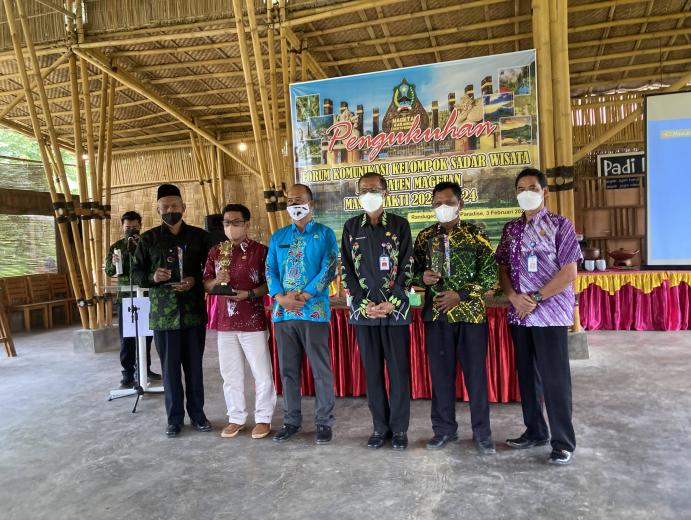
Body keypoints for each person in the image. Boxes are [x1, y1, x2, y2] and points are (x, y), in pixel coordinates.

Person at [495, 168, 581, 465]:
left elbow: (569, 272)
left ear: (545, 192)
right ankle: (535, 431)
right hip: (520, 315)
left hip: (550, 315)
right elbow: (502, 268)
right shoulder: (511, 229)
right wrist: (512, 296)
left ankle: (563, 442)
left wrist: (537, 298)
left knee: (555, 380)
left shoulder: (560, 225)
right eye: (521, 188)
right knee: (528, 378)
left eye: (532, 187)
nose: (526, 193)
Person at [413, 182, 497, 454]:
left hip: (470, 316)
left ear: (461, 204)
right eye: (438, 203)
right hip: (437, 316)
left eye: (449, 202)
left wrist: (460, 295)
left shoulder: (476, 235)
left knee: (476, 378)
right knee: (440, 378)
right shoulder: (425, 237)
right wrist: (422, 278)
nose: (443, 207)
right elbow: (412, 272)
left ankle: (482, 434)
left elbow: (489, 276)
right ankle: (444, 430)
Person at [131, 184, 215, 437]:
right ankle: (174, 419)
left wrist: (195, 280)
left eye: (175, 206)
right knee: (169, 372)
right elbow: (136, 274)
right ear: (158, 210)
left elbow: (211, 270)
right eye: (165, 207)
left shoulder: (199, 237)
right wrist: (153, 277)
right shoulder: (148, 239)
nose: (170, 210)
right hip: (164, 317)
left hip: (193, 313)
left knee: (194, 369)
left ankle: (198, 416)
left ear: (183, 207)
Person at [341, 172, 413, 450]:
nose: (369, 194)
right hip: (365, 314)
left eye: (374, 189)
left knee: (398, 374)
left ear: (385, 192)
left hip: (395, 313)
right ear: (358, 194)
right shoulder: (351, 227)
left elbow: (408, 266)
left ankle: (400, 430)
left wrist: (392, 302)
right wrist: (364, 304)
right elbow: (346, 270)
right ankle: (379, 427)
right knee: (372, 374)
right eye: (364, 190)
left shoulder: (399, 225)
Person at [266, 184, 338, 444]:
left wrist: (305, 296)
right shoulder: (278, 236)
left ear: (311, 204)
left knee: (320, 370)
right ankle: (291, 421)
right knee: (288, 371)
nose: (294, 205)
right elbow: (270, 269)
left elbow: (329, 268)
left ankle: (324, 422)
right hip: (283, 314)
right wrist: (280, 297)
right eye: (290, 201)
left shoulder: (325, 234)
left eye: (299, 200)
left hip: (314, 313)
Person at [203, 204, 276, 440]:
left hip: (252, 319)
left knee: (261, 372)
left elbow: (270, 283)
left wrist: (250, 294)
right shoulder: (216, 251)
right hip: (224, 322)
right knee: (230, 373)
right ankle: (236, 417)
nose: (231, 227)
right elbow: (206, 284)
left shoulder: (261, 251)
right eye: (226, 223)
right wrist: (217, 281)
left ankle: (263, 418)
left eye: (236, 222)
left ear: (246, 224)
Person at [105, 211, 159, 387]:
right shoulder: (116, 247)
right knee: (127, 338)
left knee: (146, 336)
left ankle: (144, 369)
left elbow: (154, 267)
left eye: (135, 227)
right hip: (125, 298)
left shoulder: (147, 244)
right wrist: (114, 263)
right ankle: (127, 373)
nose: (131, 230)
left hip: (146, 295)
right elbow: (109, 272)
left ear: (140, 227)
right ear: (122, 227)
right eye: (128, 227)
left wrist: (138, 250)